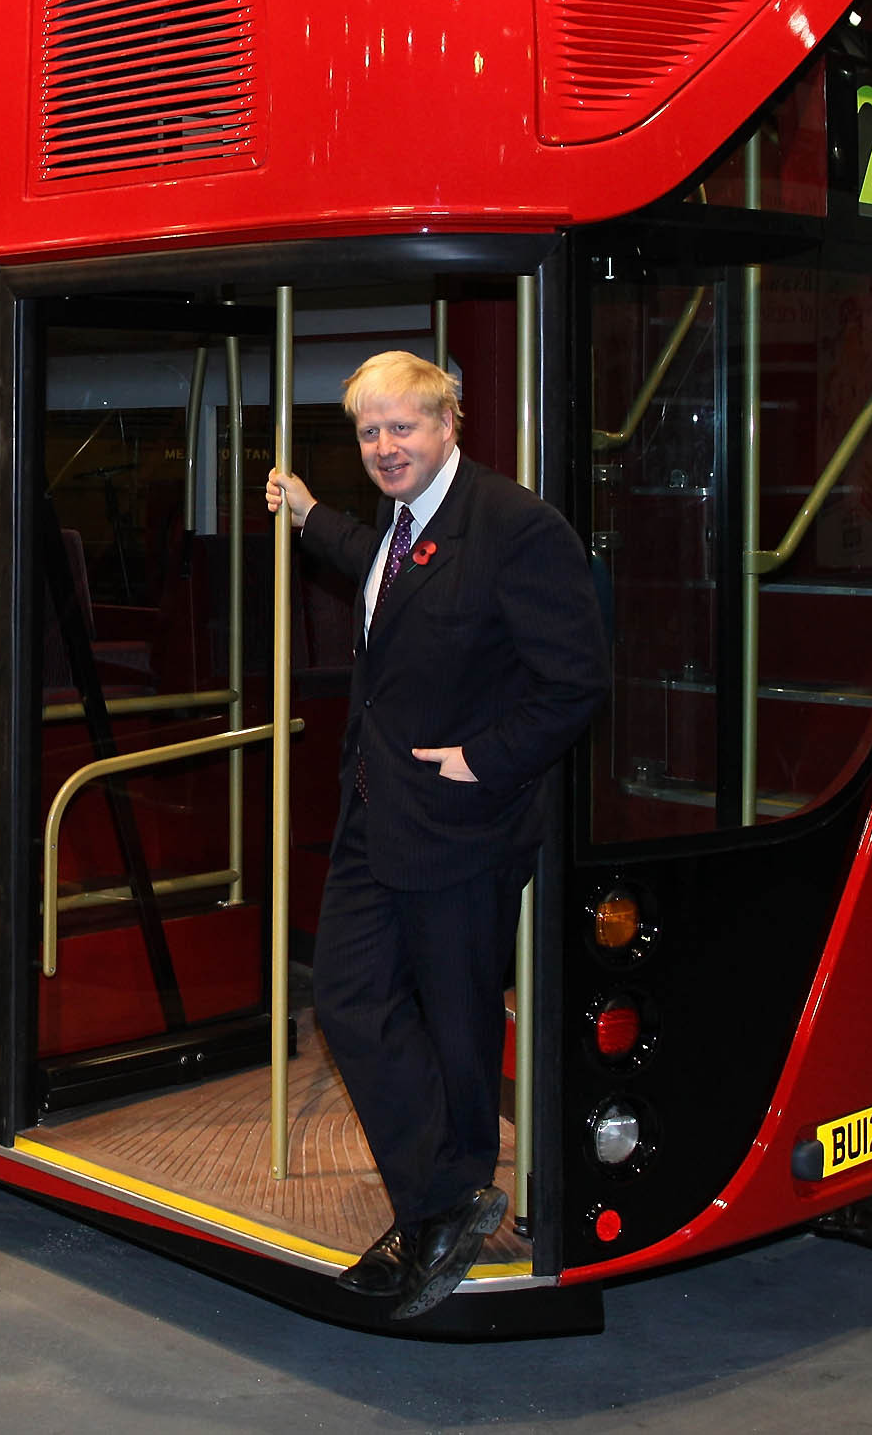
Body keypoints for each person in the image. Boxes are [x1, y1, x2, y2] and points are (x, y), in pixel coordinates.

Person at [264, 349, 606, 1319]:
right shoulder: (399, 523)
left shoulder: (516, 527)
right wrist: (301, 508)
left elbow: (576, 680)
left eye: (401, 426)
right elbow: (372, 569)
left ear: (449, 421)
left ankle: (438, 1207)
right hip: (375, 812)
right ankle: (445, 1190)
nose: (383, 446)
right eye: (368, 431)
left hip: (463, 824)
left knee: (459, 1029)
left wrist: (483, 759)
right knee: (347, 991)